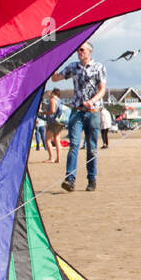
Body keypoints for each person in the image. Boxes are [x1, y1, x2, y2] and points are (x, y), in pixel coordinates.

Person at [52, 40, 107, 192]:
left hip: (93, 112)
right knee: (74, 144)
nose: (80, 52)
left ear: (89, 51)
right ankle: (70, 179)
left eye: (82, 50)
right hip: (77, 110)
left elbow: (102, 90)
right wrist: (54, 61)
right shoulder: (73, 67)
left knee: (91, 148)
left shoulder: (98, 67)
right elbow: (55, 78)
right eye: (78, 50)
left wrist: (92, 101)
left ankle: (91, 178)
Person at [44, 90, 65, 163]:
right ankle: (58, 158)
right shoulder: (60, 101)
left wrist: (45, 113)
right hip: (59, 122)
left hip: (52, 122)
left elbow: (52, 111)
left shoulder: (53, 100)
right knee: (57, 140)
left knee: (48, 140)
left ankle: (51, 158)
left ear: (54, 93)